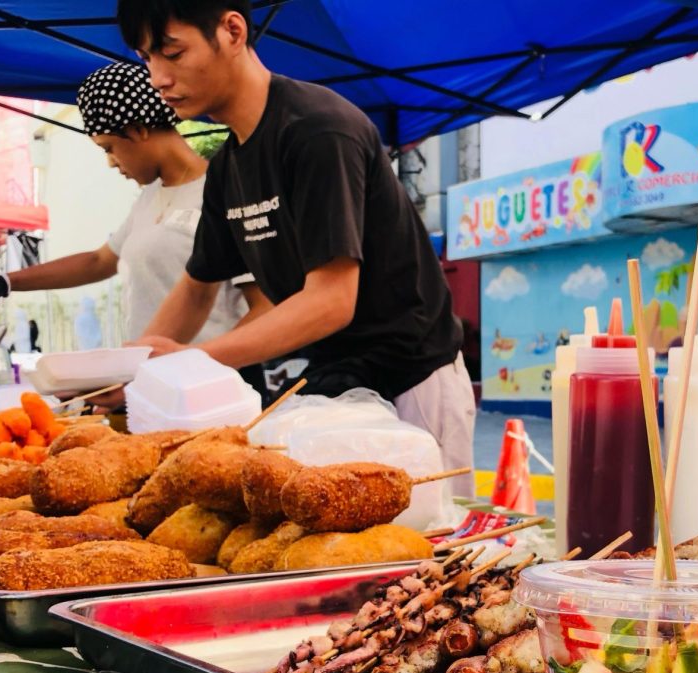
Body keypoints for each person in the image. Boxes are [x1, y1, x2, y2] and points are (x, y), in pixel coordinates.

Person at [116, 0, 475, 495]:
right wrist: (132, 373)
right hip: (338, 386)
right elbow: (198, 288)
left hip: (413, 378)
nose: (158, 78)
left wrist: (191, 361)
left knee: (424, 554)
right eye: (147, 59)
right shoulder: (227, 166)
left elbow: (331, 301)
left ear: (232, 31)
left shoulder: (317, 128)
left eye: (172, 54)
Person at [0, 62, 260, 392]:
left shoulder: (224, 192)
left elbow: (262, 310)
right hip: (151, 384)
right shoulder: (149, 198)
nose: (110, 162)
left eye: (108, 147)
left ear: (138, 130)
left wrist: (200, 365)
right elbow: (99, 261)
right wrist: (4, 282)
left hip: (213, 389)